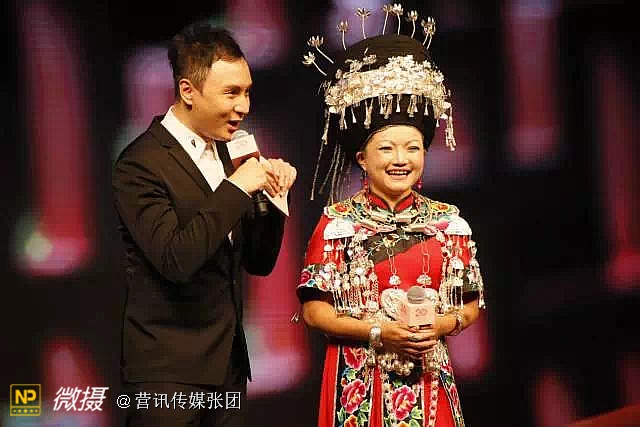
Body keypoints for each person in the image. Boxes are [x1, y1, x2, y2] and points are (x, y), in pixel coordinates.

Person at [297, 7, 486, 427]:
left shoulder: (449, 224)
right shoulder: (338, 225)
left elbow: (471, 304)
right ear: (362, 158)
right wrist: (379, 333)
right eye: (387, 148)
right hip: (360, 382)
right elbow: (314, 313)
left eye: (413, 148)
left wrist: (442, 324)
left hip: (430, 376)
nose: (401, 159)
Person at [112, 20, 297, 427]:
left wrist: (272, 198)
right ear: (187, 91)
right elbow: (175, 259)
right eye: (231, 93)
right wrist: (237, 188)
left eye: (247, 92)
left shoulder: (234, 152)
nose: (243, 107)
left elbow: (258, 262)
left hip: (228, 371)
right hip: (167, 377)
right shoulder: (140, 164)